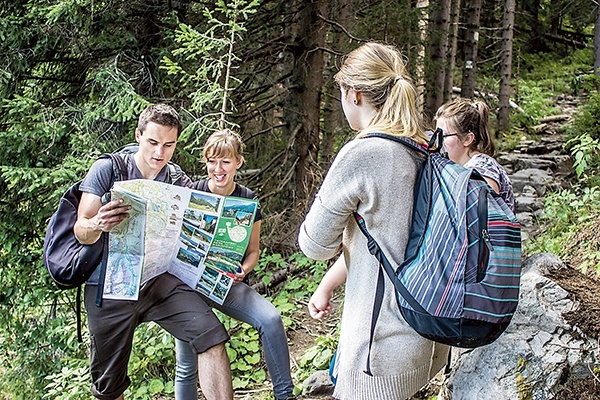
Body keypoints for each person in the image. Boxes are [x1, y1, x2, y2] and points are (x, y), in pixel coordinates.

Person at [298, 42, 449, 400]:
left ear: (355, 94)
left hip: (378, 351)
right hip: (431, 335)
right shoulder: (427, 146)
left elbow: (313, 244)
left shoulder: (364, 153)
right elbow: (390, 239)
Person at [74, 104, 233, 400]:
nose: (160, 153)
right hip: (109, 285)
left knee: (211, 336)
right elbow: (81, 230)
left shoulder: (175, 178)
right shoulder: (108, 169)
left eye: (169, 145)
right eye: (153, 142)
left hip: (158, 280)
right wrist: (98, 222)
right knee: (109, 386)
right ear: (138, 136)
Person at [175, 129, 295, 400]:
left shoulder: (248, 198)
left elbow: (253, 251)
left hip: (227, 283)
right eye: (212, 161)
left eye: (225, 161)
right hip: (189, 286)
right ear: (205, 162)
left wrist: (244, 270)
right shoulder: (192, 191)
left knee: (271, 319)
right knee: (187, 360)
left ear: (238, 162)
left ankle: (285, 395)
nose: (218, 169)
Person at [434, 97, 516, 211]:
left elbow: (489, 221)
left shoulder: (482, 170)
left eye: (443, 136)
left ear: (467, 139)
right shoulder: (463, 168)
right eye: (435, 135)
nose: (436, 142)